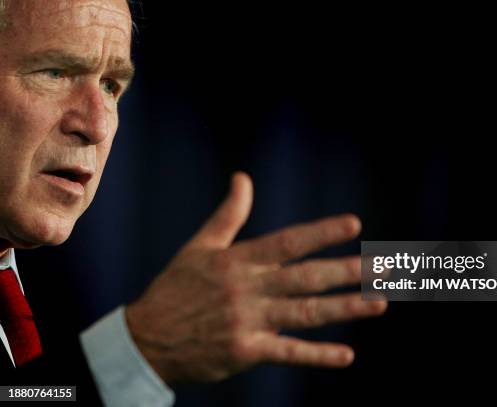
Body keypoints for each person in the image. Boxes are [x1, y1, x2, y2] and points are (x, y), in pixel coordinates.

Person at [0, 0, 387, 405]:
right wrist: (141, 349)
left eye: (111, 86)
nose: (97, 125)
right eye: (56, 72)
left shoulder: (55, 294)